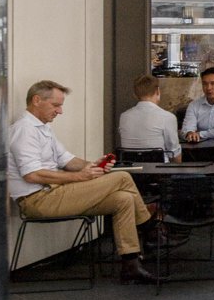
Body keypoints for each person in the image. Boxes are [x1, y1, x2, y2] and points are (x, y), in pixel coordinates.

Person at [8, 80, 157, 285]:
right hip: (38, 199)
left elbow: (67, 160)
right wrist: (79, 177)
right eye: (56, 105)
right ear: (36, 100)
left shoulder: (43, 128)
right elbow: (32, 175)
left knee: (123, 199)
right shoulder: (24, 129)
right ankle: (151, 229)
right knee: (122, 177)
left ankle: (130, 265)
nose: (60, 111)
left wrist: (92, 165)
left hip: (55, 192)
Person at [118, 74, 181, 160]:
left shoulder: (124, 117)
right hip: (160, 171)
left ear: (135, 95)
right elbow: (174, 153)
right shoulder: (167, 117)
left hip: (131, 170)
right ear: (158, 91)